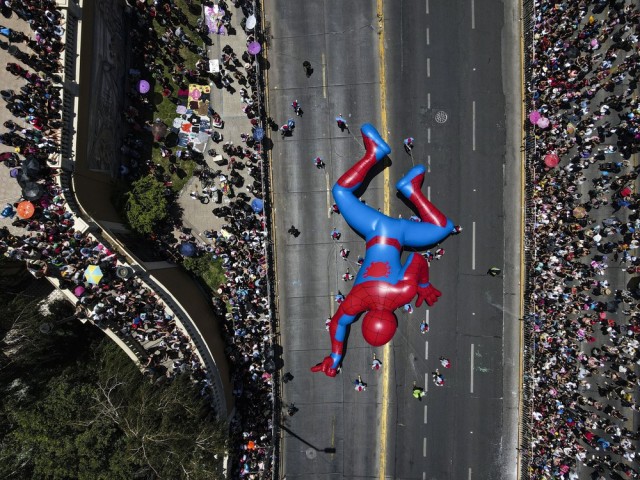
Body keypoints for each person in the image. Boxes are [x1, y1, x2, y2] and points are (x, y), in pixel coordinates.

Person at [312, 124, 454, 377]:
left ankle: (412, 191)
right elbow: (338, 324)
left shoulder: (402, 293)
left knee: (443, 228)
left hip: (399, 235)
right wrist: (335, 356)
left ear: (394, 323)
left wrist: (422, 286)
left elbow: (417, 258)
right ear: (363, 320)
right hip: (374, 230)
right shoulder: (357, 301)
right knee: (340, 192)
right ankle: (373, 155)